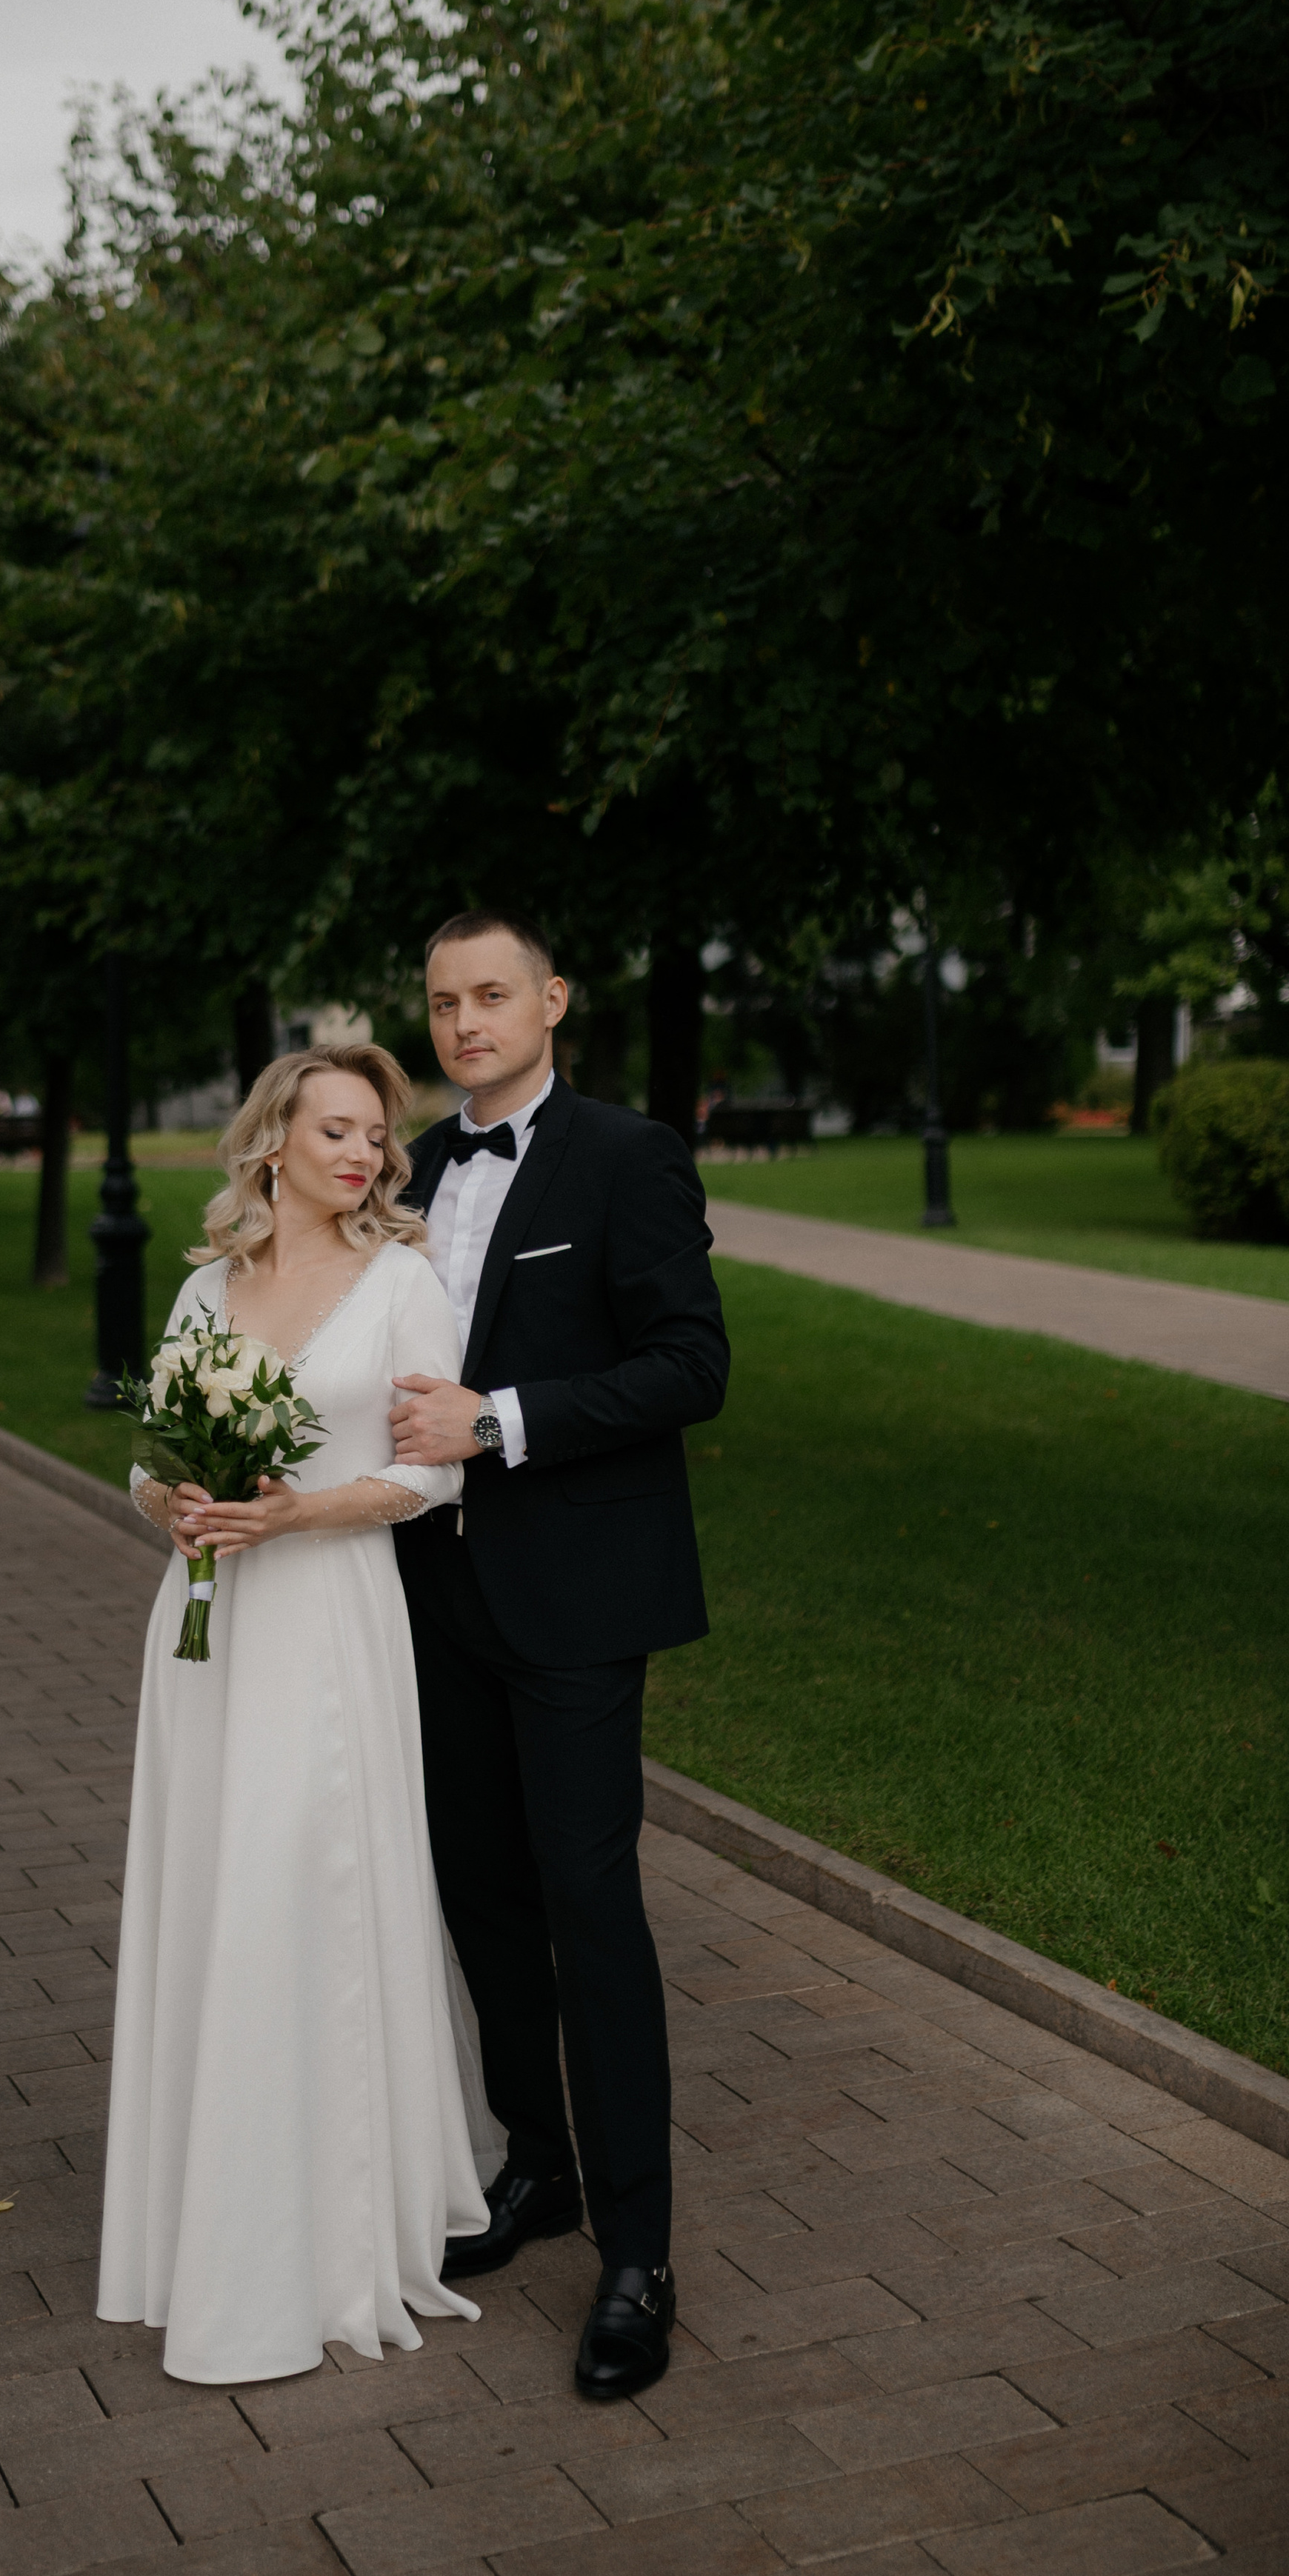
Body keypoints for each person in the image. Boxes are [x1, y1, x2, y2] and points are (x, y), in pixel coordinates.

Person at [98, 1043, 494, 2385]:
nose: (365, 1155)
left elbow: (432, 1478)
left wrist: (294, 1514)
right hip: (206, 1629)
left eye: (376, 1136)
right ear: (273, 1142)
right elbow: (150, 1458)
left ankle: (322, 2234)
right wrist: (175, 1503)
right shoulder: (205, 1286)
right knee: (216, 1891)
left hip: (327, 1619)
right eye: (337, 1131)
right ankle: (207, 2208)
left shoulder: (404, 1283)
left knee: (294, 1889)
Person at [390, 911, 730, 2400]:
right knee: (481, 1895)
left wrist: (501, 1421)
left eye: (490, 995)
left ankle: (639, 2255)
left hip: (578, 1595)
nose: (464, 1021)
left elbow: (690, 1364)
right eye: (442, 1001)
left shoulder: (627, 1156)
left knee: (591, 1910)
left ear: (551, 1001)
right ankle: (538, 2163)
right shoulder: (407, 1171)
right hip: (430, 1590)